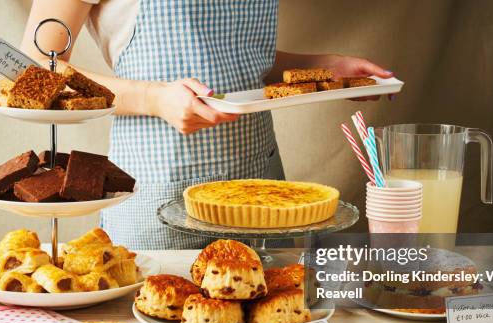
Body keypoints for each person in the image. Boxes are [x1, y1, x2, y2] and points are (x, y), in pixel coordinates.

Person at [21, 0, 393, 249]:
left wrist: (326, 70)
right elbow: (32, 67)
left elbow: (237, 57)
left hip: (263, 189)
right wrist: (154, 99)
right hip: (157, 194)